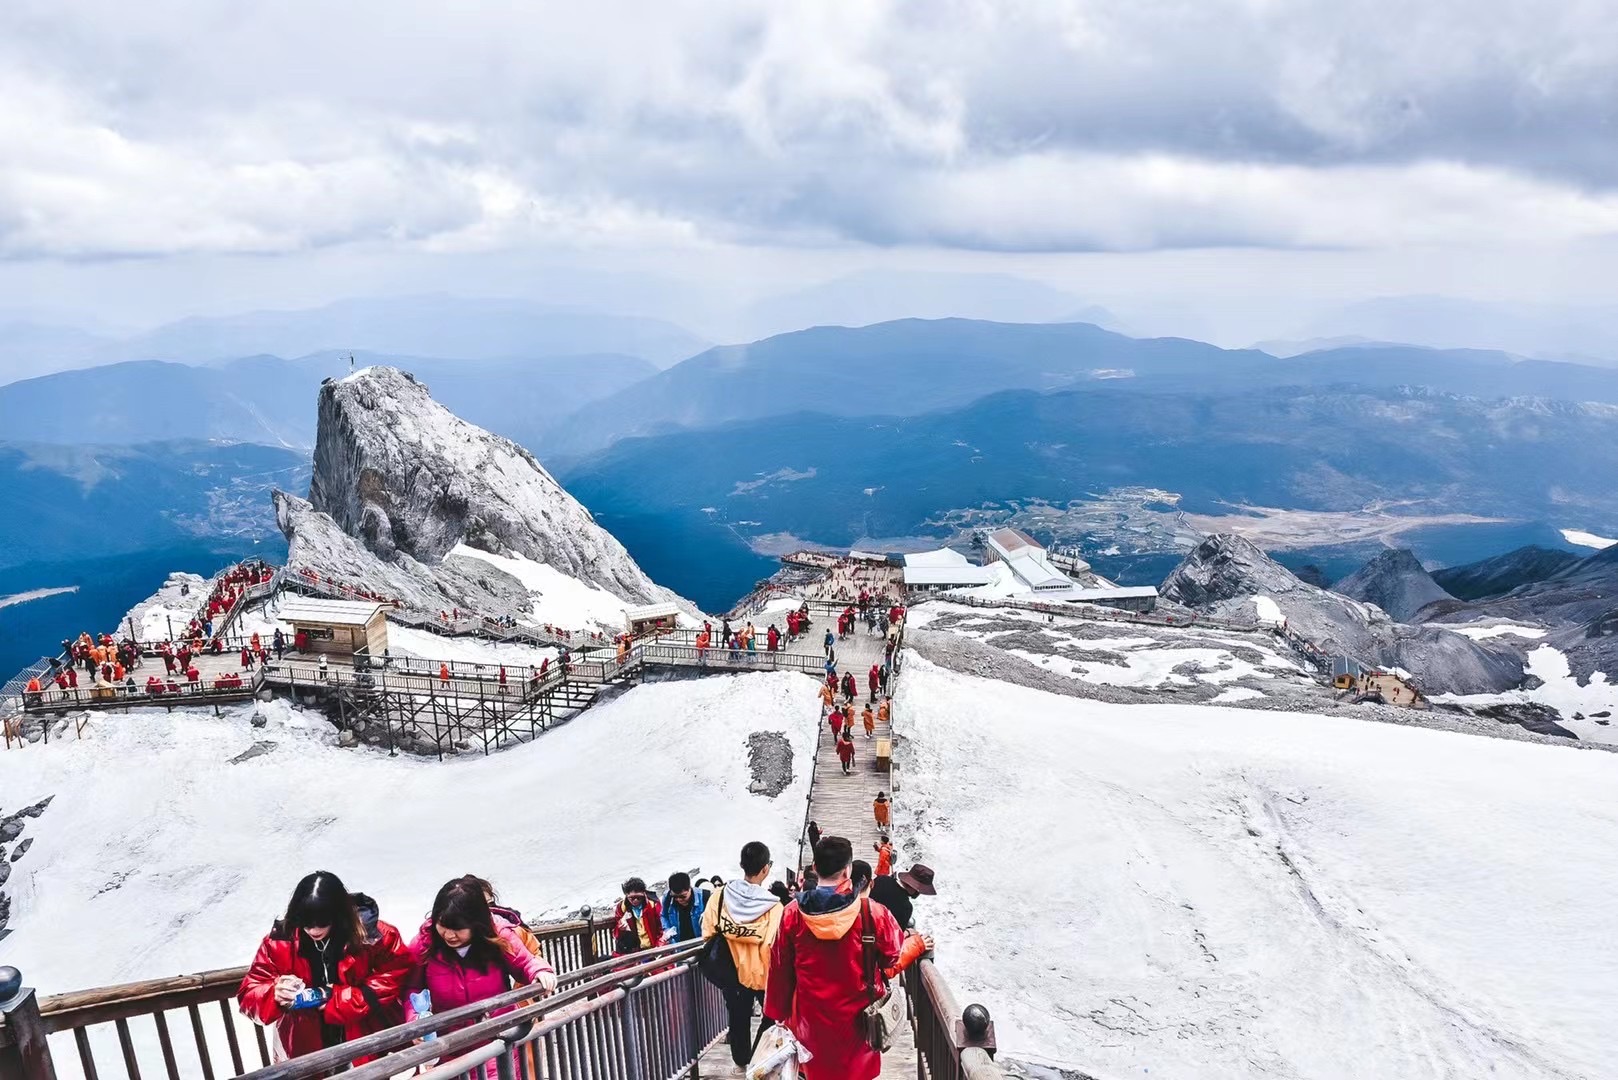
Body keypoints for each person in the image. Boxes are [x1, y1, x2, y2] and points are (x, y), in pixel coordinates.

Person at [764, 836, 903, 1080]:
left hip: (809, 1018)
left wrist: (778, 1011)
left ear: (815, 868)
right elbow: (892, 957)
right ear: (848, 870)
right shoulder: (872, 912)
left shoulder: (793, 914)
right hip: (860, 1020)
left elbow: (779, 967)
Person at [237, 870, 411, 1062]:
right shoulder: (279, 942)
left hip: (361, 1038)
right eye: (305, 923)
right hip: (303, 1045)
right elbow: (248, 994)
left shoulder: (374, 936)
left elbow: (395, 975)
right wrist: (273, 993)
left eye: (321, 923)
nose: (313, 930)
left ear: (338, 915)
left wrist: (340, 999)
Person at [404, 879, 556, 1074]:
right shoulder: (425, 943)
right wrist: (415, 1020)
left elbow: (525, 961)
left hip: (496, 1040)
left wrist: (540, 971)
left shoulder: (498, 935)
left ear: (476, 924)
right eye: (443, 925)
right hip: (449, 1045)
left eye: (458, 928)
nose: (449, 935)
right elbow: (411, 988)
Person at [704, 841, 786, 1067]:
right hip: (762, 976)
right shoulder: (774, 907)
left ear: (742, 865)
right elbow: (774, 944)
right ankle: (759, 1058)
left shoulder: (719, 897)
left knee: (737, 1019)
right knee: (771, 1017)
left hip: (730, 971)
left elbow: (708, 932)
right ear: (765, 869)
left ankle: (741, 1062)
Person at [869, 864, 936, 931]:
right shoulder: (906, 907)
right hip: (878, 934)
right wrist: (909, 932)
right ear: (915, 888)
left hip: (862, 922)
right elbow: (897, 936)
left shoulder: (881, 879)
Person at [613, 877, 664, 954]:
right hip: (634, 950)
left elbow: (661, 926)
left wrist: (659, 945)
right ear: (626, 896)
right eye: (632, 898)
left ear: (644, 894)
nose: (635, 900)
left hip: (654, 948)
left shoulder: (653, 905)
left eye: (638, 898)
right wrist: (620, 928)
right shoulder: (622, 908)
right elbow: (615, 933)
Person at [661, 871, 707, 943]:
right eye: (675, 897)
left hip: (702, 942)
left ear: (690, 888)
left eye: (683, 896)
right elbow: (664, 915)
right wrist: (667, 930)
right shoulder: (667, 898)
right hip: (679, 944)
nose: (679, 900)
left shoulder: (705, 897)